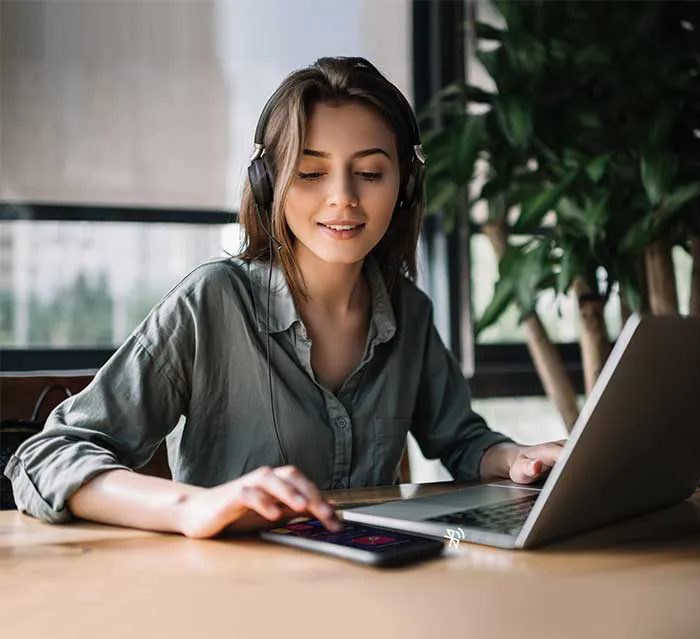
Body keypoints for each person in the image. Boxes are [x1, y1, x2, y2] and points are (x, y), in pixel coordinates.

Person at [5, 57, 564, 539]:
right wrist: (190, 505)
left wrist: (516, 459)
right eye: (311, 172)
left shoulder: (409, 311)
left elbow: (462, 440)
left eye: (369, 172)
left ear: (406, 187)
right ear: (269, 183)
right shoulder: (212, 302)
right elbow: (46, 456)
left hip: (372, 588)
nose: (342, 198)